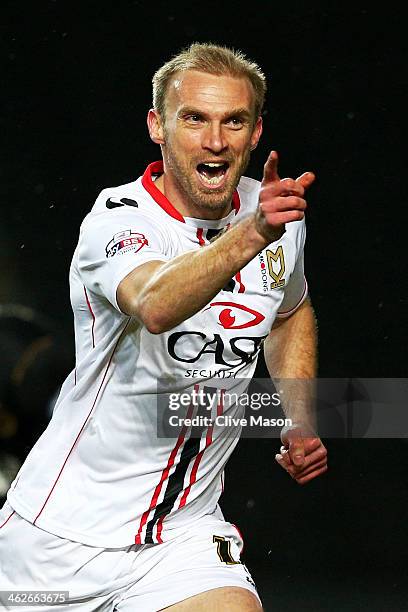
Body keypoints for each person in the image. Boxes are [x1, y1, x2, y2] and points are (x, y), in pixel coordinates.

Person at [0, 43, 327, 611]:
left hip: (182, 538)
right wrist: (251, 234)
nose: (215, 141)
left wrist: (297, 417)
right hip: (56, 542)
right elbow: (154, 303)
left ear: (255, 134)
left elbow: (290, 310)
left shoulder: (274, 213)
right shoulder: (118, 220)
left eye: (234, 121)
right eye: (194, 118)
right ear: (157, 125)